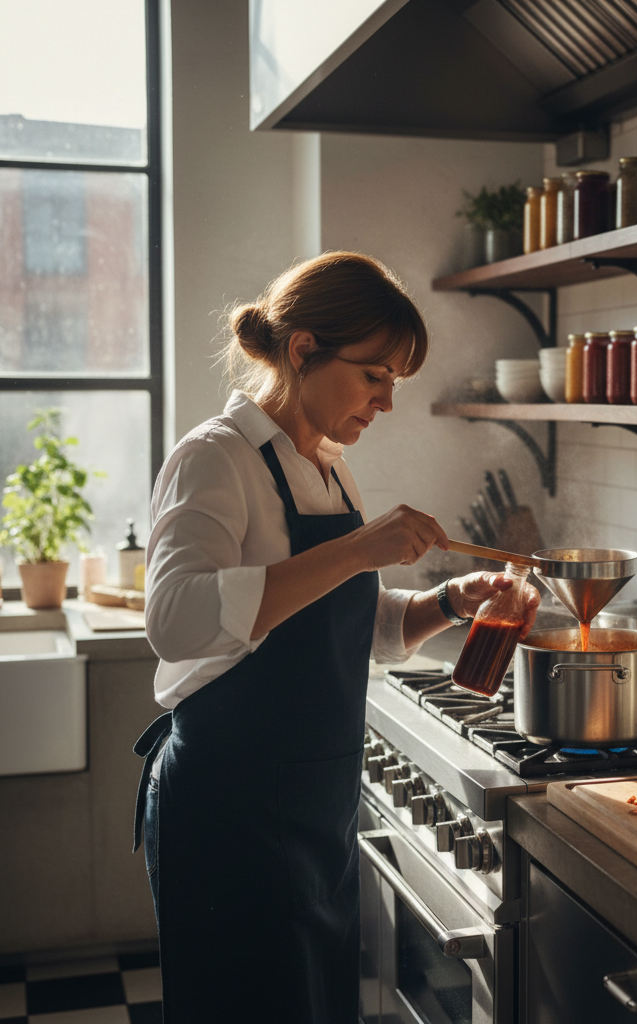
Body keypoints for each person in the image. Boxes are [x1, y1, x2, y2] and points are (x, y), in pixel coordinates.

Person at [132, 251, 538, 1024]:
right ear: (302, 350)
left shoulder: (329, 468)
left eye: (395, 382)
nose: (385, 402)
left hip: (314, 808)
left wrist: (452, 599)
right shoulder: (214, 457)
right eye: (374, 375)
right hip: (230, 806)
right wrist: (357, 549)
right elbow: (173, 621)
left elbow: (362, 628)